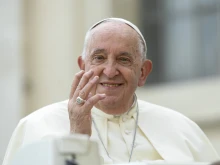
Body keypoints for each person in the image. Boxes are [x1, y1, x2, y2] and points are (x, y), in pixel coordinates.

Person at [3, 18, 220, 165]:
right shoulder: (37, 127)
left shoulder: (183, 130)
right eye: (99, 58)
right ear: (82, 66)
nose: (110, 70)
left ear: (143, 72)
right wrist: (77, 137)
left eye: (123, 59)